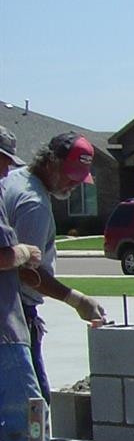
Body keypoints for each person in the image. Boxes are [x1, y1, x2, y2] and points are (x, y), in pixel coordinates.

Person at [0, 132, 108, 403]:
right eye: (70, 174)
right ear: (50, 163)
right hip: (16, 314)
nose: (73, 183)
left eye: (79, 177)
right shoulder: (33, 203)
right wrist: (76, 299)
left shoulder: (15, 179)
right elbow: (26, 274)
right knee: (33, 408)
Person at [0, 196, 44, 441]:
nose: (6, 172)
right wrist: (26, 252)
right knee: (29, 422)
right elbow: (3, 257)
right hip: (5, 334)